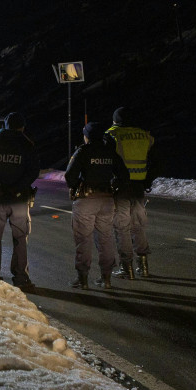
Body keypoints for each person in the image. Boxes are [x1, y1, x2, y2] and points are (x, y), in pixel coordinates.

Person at [0, 112, 40, 292]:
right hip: (19, 199)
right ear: (22, 127)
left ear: (5, 125)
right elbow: (33, 171)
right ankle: (21, 278)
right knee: (20, 238)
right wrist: (18, 188)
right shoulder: (27, 145)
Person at [64, 122, 130, 289]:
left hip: (86, 200)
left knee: (83, 240)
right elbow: (124, 175)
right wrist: (114, 185)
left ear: (87, 136)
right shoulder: (110, 152)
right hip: (107, 200)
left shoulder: (83, 151)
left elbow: (69, 176)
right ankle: (106, 279)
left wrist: (78, 184)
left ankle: (83, 279)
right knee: (105, 239)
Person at [105, 106, 157, 279]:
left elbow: (107, 161)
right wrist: (147, 179)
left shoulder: (112, 134)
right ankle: (143, 267)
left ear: (116, 120)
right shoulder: (145, 135)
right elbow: (157, 161)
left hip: (120, 187)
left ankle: (126, 267)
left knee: (122, 228)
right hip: (138, 187)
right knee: (138, 226)